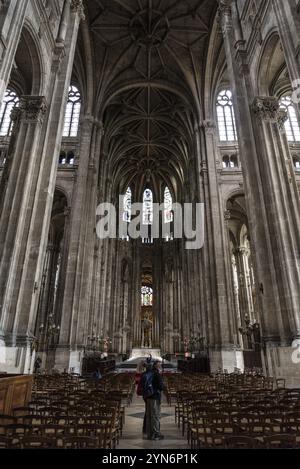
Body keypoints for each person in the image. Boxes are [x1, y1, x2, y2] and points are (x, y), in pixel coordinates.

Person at [141, 359, 164, 440]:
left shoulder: (147, 374)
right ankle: (155, 434)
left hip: (148, 397)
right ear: (156, 366)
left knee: (149, 415)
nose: (160, 366)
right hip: (155, 397)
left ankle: (149, 434)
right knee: (155, 415)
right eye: (159, 365)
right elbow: (161, 387)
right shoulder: (157, 374)